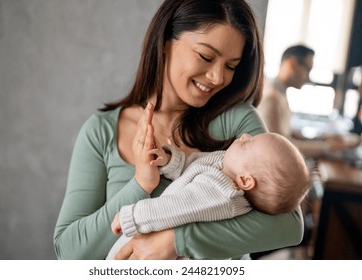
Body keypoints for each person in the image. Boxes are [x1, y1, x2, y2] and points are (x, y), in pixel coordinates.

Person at [54, 0, 306, 260]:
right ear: (165, 42)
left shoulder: (237, 122)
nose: (218, 77)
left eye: (231, 66)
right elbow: (69, 252)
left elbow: (289, 226)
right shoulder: (104, 131)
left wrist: (177, 241)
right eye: (206, 57)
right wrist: (141, 184)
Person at [106, 117, 310, 259]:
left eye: (249, 144)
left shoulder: (221, 193)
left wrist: (131, 217)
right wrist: (170, 161)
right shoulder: (225, 166)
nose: (245, 136)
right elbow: (193, 166)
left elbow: (174, 207)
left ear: (246, 181)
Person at [257, 45, 360, 157]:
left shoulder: (279, 92)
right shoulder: (272, 98)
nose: (308, 78)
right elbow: (278, 148)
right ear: (292, 64)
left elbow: (286, 135)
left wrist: (322, 139)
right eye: (308, 69)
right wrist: (328, 147)